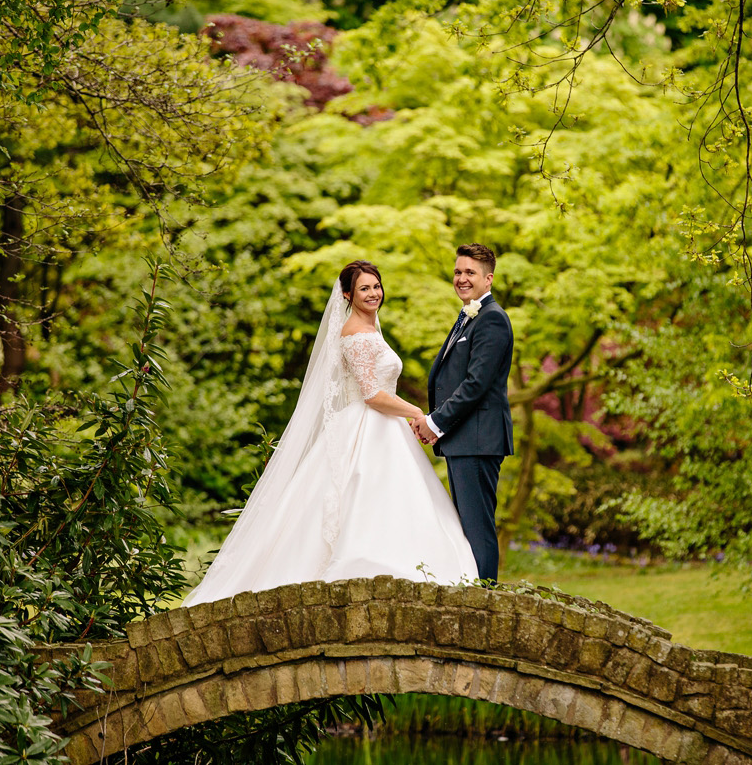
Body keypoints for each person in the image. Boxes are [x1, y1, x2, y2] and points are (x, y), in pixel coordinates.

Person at [183, 260, 476, 604]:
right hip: (367, 426)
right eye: (364, 288)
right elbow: (371, 394)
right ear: (348, 294)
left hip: (383, 428)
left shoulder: (372, 329)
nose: (373, 294)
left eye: (376, 286)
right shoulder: (356, 333)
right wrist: (416, 413)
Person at [412, 244, 514, 582]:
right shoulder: (469, 315)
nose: (461, 278)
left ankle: (486, 601)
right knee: (467, 527)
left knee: (477, 527)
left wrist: (435, 422)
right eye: (458, 272)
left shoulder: (493, 318)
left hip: (478, 439)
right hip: (465, 439)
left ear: (489, 278)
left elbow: (476, 385)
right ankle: (476, 595)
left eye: (470, 272)